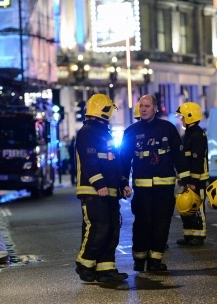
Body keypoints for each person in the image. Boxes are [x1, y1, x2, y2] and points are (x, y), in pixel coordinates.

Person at [120, 95, 191, 272]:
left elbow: (178, 156)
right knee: (142, 223)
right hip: (142, 189)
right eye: (141, 106)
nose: (143, 109)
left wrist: (185, 179)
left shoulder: (168, 129)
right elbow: (124, 160)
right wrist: (123, 182)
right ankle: (139, 258)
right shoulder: (131, 131)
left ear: (155, 108)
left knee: (161, 224)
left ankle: (155, 261)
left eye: (147, 106)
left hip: (164, 188)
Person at [75, 94, 131, 283]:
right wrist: (99, 184)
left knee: (112, 229)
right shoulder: (88, 131)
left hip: (109, 191)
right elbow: (89, 160)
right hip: (94, 190)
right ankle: (84, 264)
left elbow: (115, 162)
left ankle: (105, 269)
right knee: (98, 228)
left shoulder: (103, 132)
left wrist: (123, 184)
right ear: (104, 110)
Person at [175, 102, 208, 247]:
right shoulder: (187, 134)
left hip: (197, 179)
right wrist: (182, 179)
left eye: (183, 117)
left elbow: (197, 159)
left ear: (190, 117)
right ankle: (188, 234)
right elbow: (182, 159)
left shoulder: (198, 135)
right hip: (187, 179)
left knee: (197, 207)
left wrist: (193, 180)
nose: (181, 120)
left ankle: (199, 236)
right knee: (186, 206)